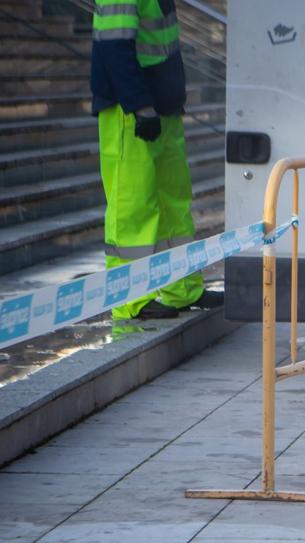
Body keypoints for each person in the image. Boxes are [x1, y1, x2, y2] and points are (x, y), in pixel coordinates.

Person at [91, 0, 215, 320]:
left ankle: (182, 289)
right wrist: (138, 105)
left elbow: (162, 47)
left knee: (174, 201)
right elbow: (113, 47)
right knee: (132, 207)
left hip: (162, 104)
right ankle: (131, 301)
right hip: (131, 110)